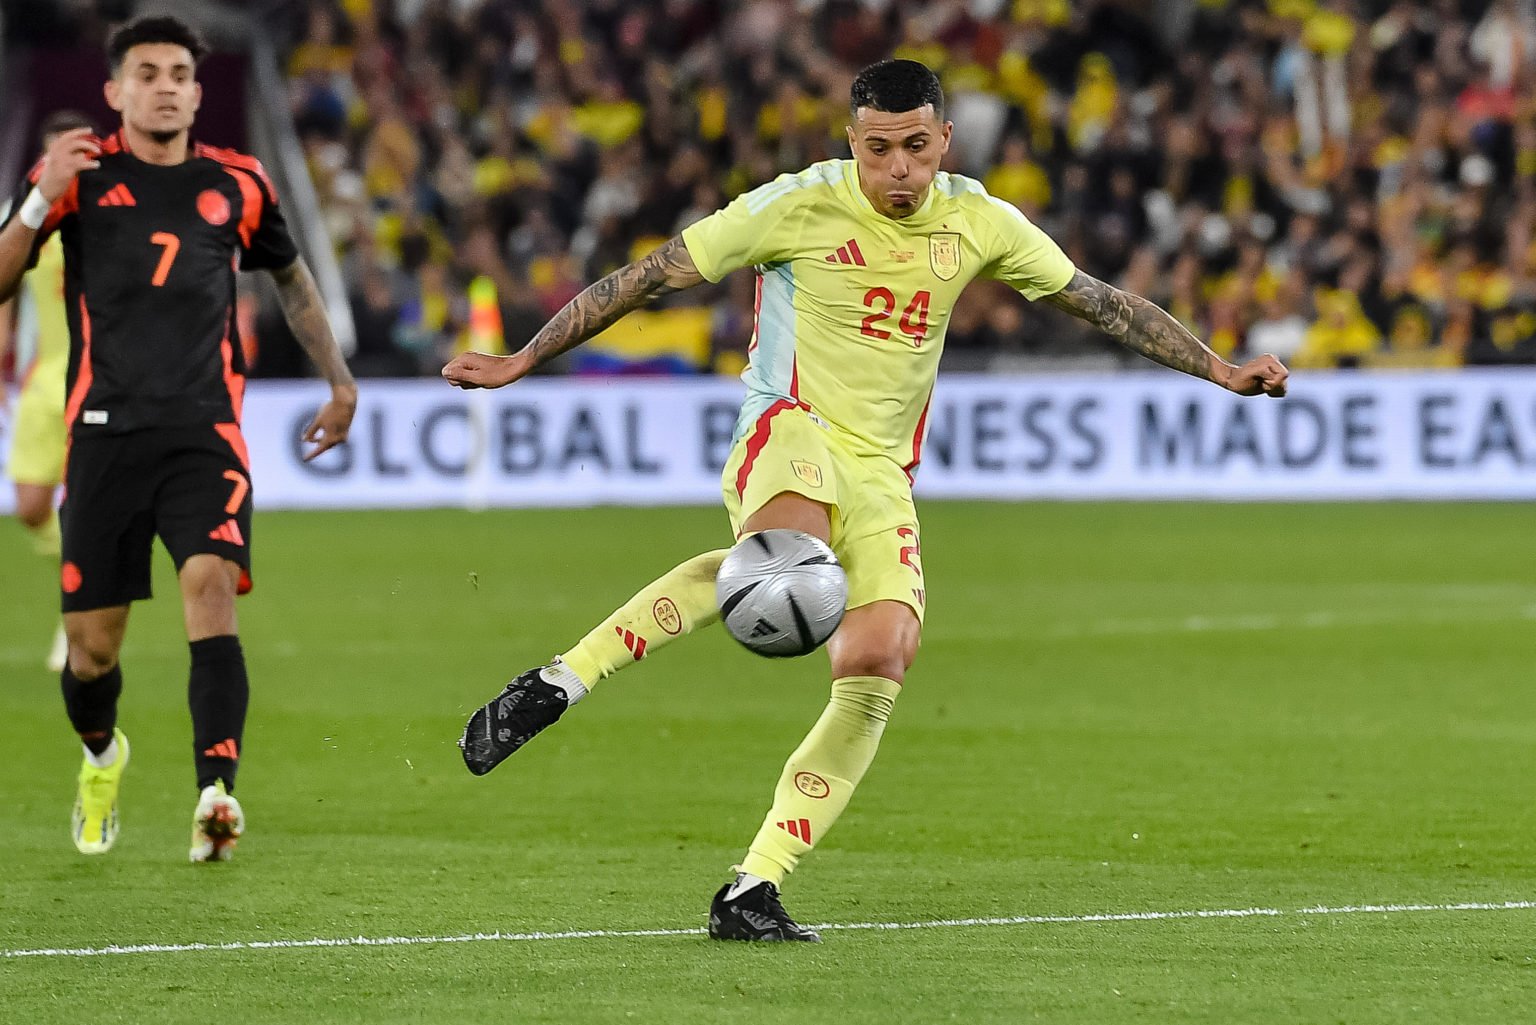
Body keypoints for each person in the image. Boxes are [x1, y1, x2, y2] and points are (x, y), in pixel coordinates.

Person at [443, 59, 1288, 941]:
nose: (897, 170)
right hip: (790, 426)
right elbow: (654, 274)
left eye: (915, 148)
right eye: (878, 149)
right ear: (853, 142)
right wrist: (521, 359)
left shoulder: (979, 222)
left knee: (881, 657)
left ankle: (753, 886)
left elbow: (1101, 304)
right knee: (779, 564)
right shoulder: (795, 204)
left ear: (944, 142)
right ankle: (560, 682)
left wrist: (1222, 369)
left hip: (885, 469)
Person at [0, 16, 357, 861]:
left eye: (178, 73)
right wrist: (40, 196)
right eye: (146, 72)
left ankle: (215, 793)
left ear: (199, 92)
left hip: (205, 433)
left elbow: (291, 279)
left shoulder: (241, 183)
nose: (164, 85)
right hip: (103, 437)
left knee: (211, 586)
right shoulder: (77, 179)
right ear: (114, 90)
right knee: (92, 653)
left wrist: (339, 381)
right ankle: (101, 755)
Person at [1, 111, 93, 674]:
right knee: (31, 505)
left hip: (96, 379)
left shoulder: (107, 215)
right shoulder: (28, 217)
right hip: (42, 377)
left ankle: (79, 605)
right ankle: (88, 565)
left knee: (85, 504)